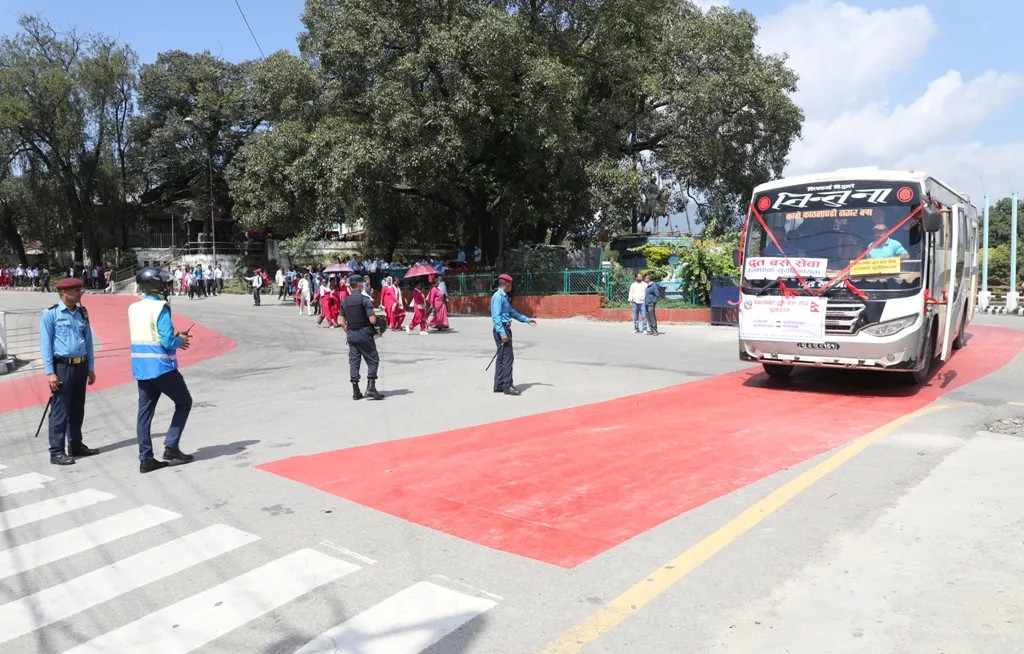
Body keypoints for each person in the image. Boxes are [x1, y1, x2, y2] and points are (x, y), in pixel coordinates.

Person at [130, 267, 194, 473]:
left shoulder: (134, 308)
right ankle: (171, 446)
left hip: (141, 367)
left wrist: (174, 339)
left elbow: (149, 335)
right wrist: (180, 340)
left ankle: (146, 458)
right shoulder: (161, 308)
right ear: (156, 286)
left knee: (144, 414)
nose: (168, 287)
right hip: (161, 367)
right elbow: (166, 341)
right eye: (165, 283)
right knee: (184, 402)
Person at [38, 277, 98, 466]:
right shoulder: (51, 314)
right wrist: (50, 373)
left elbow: (88, 342)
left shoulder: (82, 313)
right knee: (60, 411)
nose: (81, 293)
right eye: (77, 290)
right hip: (62, 368)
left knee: (77, 409)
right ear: (64, 292)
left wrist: (90, 367)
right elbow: (45, 345)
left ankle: (76, 445)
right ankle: (56, 451)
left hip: (81, 366)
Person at [491, 274, 536, 396]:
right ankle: (507, 385)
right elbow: (496, 317)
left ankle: (499, 384)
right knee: (507, 358)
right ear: (507, 284)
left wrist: (526, 320)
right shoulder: (498, 297)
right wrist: (502, 333)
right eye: (511, 283)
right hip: (502, 329)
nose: (512, 286)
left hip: (504, 328)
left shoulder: (504, 297)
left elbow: (511, 312)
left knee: (502, 357)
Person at [340, 275, 384, 401]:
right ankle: (371, 387)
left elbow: (341, 321)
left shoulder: (345, 301)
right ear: (359, 284)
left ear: (350, 286)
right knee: (373, 359)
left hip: (351, 335)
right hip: (364, 334)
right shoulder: (365, 300)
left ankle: (356, 391)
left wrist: (349, 331)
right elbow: (372, 319)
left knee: (354, 362)